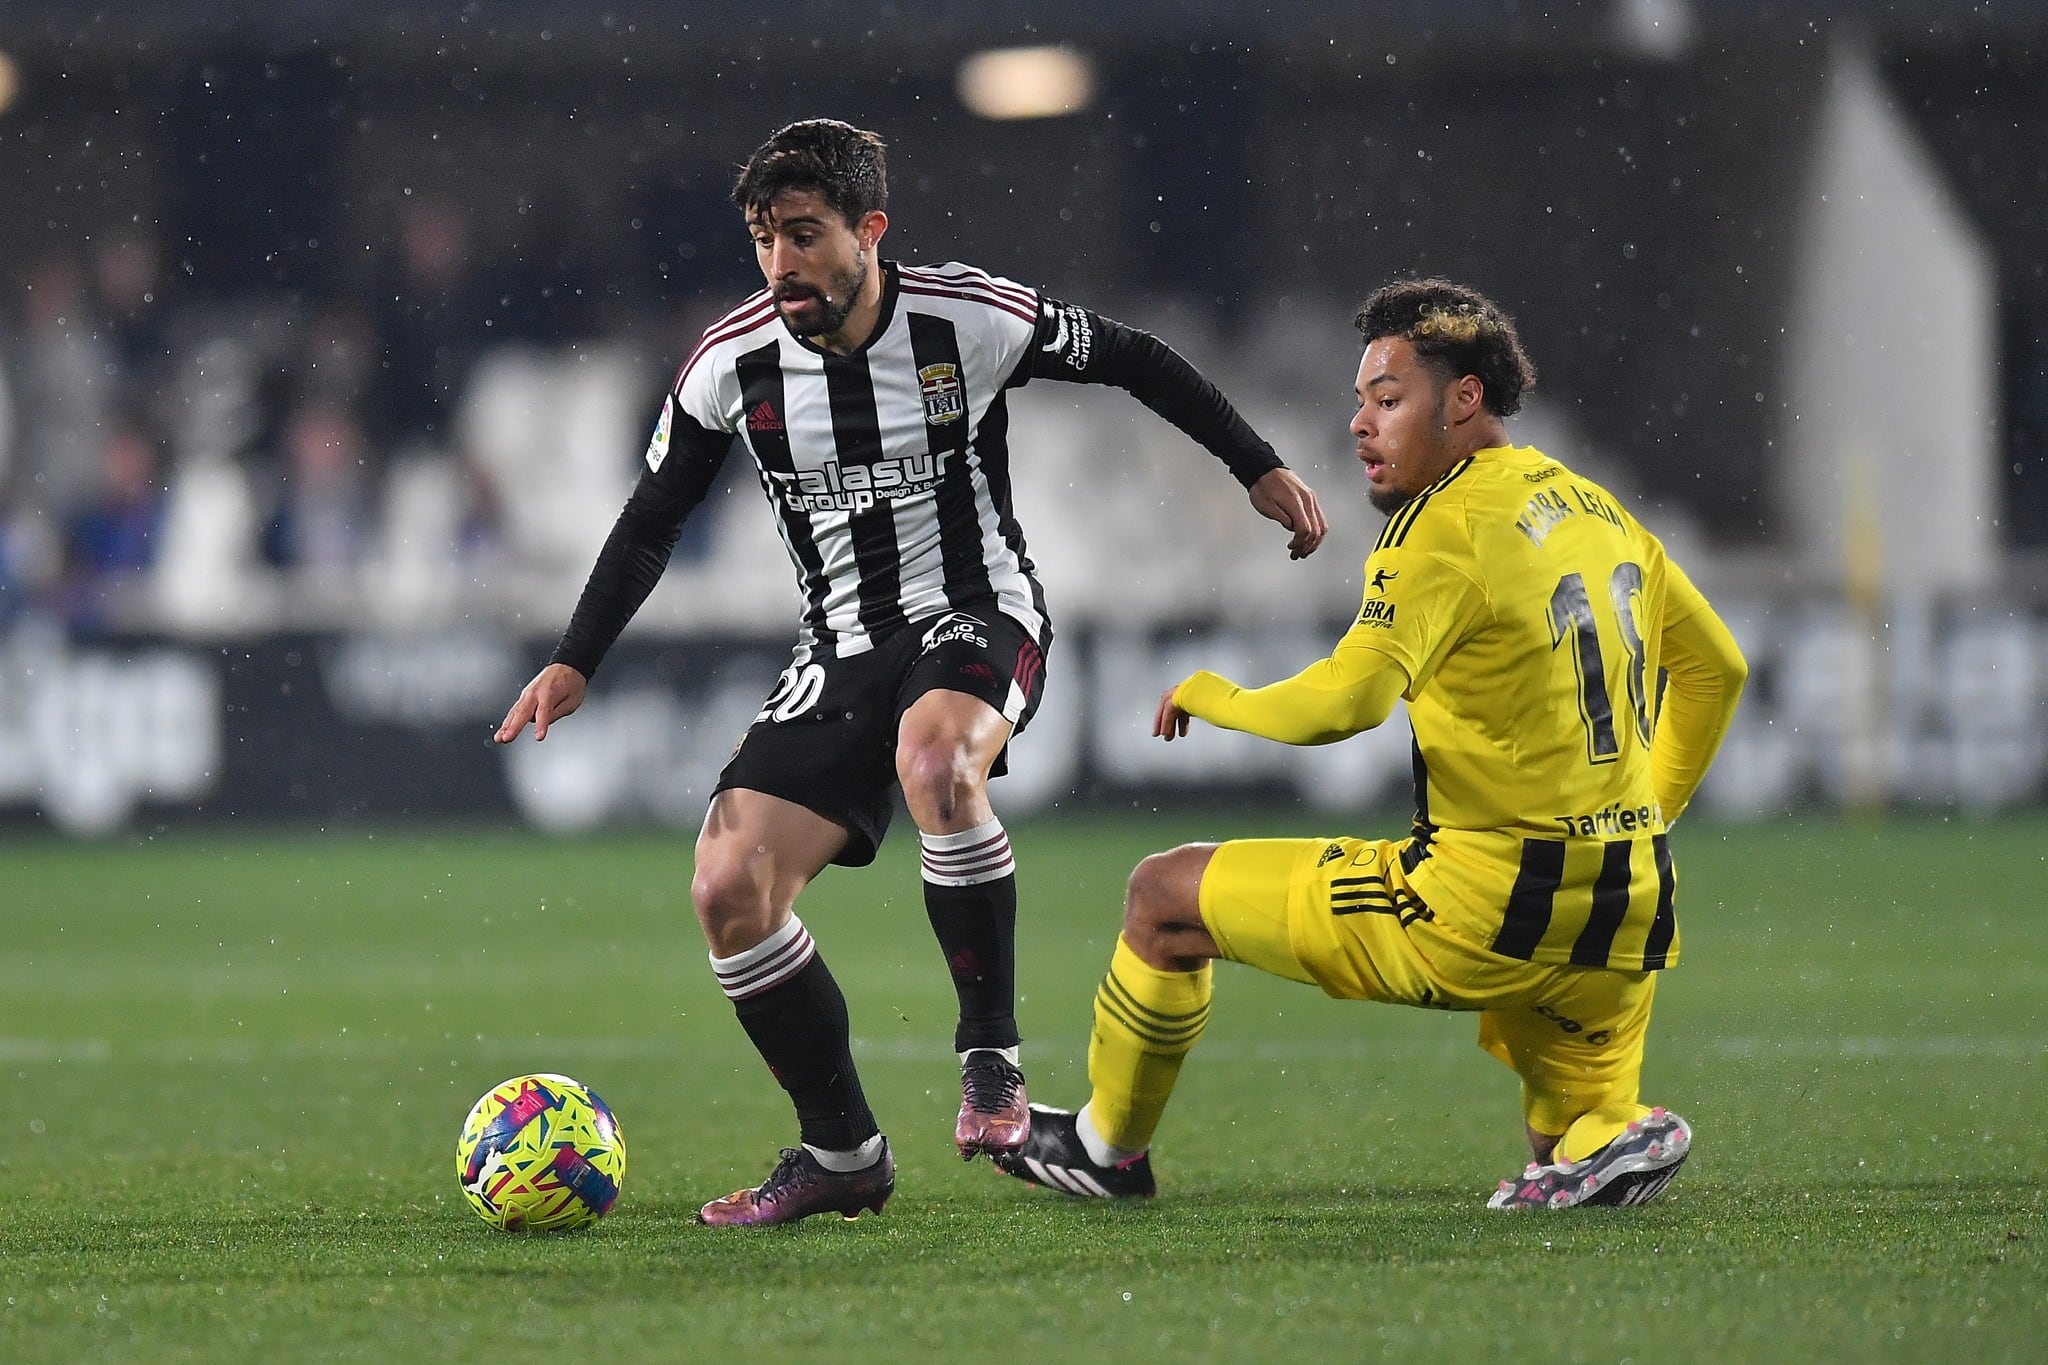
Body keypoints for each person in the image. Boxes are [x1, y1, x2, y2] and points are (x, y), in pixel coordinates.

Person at [494, 119, 1328, 1227]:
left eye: (803, 234)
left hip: (976, 612)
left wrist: (1256, 465)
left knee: (936, 758)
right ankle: (842, 1153)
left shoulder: (965, 320)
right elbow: (654, 516)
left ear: (868, 231)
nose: (781, 262)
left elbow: (1130, 356)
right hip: (836, 646)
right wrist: (573, 660)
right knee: (727, 890)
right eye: (762, 239)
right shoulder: (727, 364)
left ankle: (989, 1058)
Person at [993, 278, 1747, 1210]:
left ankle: (1107, 1148)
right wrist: (1651, 811)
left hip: (1482, 905)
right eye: (1359, 401)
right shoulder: (1600, 510)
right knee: (1563, 1142)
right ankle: (1615, 1134)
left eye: (1387, 400)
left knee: (1162, 898)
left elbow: (1347, 704)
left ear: (1465, 399)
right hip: (1628, 901)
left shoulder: (1442, 531)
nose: (1359, 423)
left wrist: (1219, 695)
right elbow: (1718, 671)